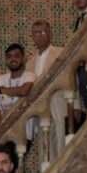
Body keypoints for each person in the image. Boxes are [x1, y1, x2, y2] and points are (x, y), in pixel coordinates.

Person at [25, 21, 67, 159]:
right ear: (32, 36)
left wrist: (76, 104)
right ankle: (46, 171)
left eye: (44, 32)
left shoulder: (61, 52)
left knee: (60, 142)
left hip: (57, 102)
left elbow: (71, 77)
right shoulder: (30, 62)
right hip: (39, 107)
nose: (40, 35)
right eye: (37, 33)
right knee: (44, 147)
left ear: (50, 34)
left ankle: (61, 169)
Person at [0, 44, 35, 116]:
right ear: (6, 60)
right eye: (9, 57)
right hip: (4, 120)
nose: (13, 59)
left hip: (25, 119)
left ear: (23, 58)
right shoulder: (0, 79)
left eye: (17, 56)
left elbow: (23, 91)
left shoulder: (30, 75)